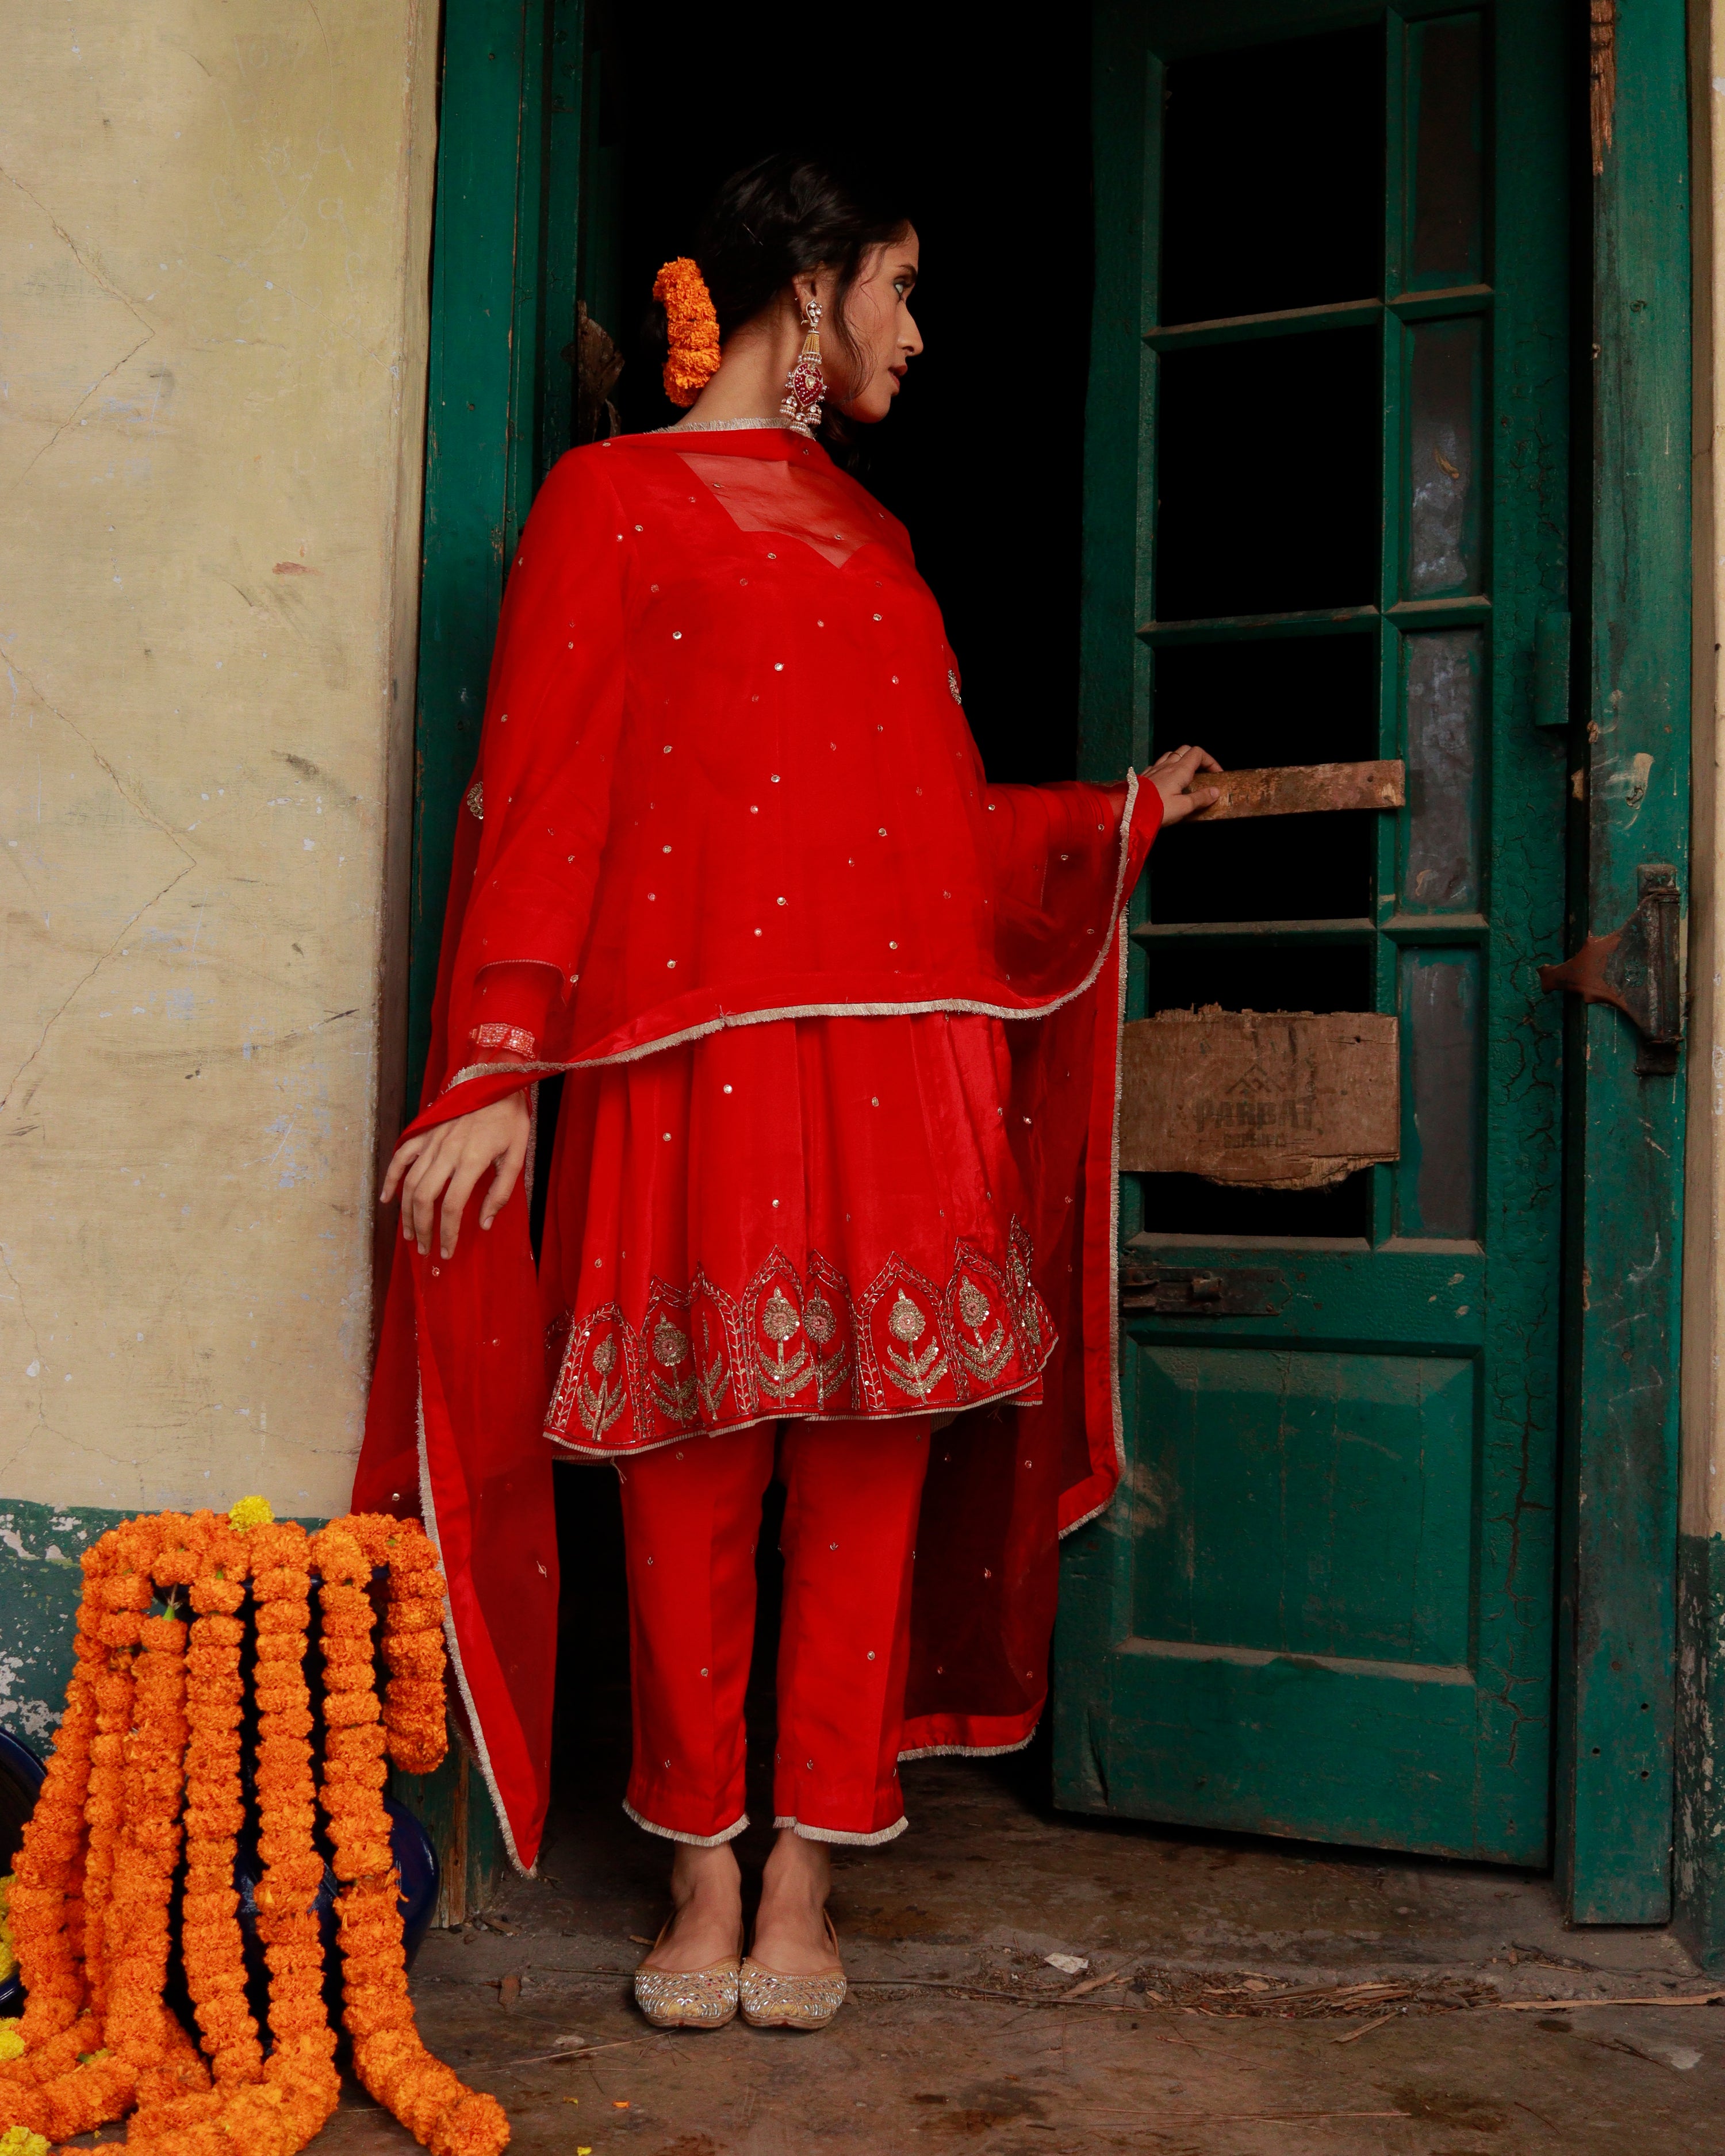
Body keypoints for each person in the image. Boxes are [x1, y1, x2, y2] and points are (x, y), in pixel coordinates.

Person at [355, 151, 1220, 2034]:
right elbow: (548, 786)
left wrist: (1109, 823)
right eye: (901, 285)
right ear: (810, 288)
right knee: (686, 1469)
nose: (918, 327)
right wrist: (498, 1067)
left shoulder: (885, 543)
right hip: (698, 1059)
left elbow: (911, 833)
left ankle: (812, 1871)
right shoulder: (611, 505)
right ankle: (696, 1864)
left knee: (868, 1466)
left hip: (901, 1061)